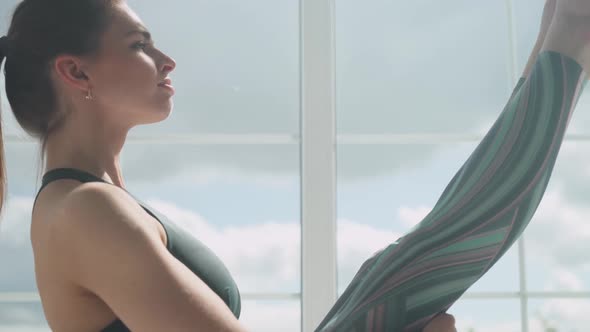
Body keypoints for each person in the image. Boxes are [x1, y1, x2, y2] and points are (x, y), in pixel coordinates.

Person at [0, 0, 583, 331]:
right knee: (419, 262)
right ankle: (563, 50)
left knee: (407, 264)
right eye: (139, 44)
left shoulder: (96, 203)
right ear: (76, 73)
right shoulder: (84, 211)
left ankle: (557, 56)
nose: (166, 58)